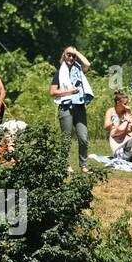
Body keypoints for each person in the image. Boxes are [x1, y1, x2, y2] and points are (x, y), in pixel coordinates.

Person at [50, 45, 94, 173]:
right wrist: (69, 91)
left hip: (79, 107)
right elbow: (53, 92)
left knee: (83, 137)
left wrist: (76, 52)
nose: (71, 57)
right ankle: (66, 165)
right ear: (64, 56)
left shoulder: (79, 70)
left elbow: (87, 64)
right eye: (68, 54)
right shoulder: (59, 73)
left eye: (73, 56)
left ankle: (83, 165)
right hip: (65, 107)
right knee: (66, 138)